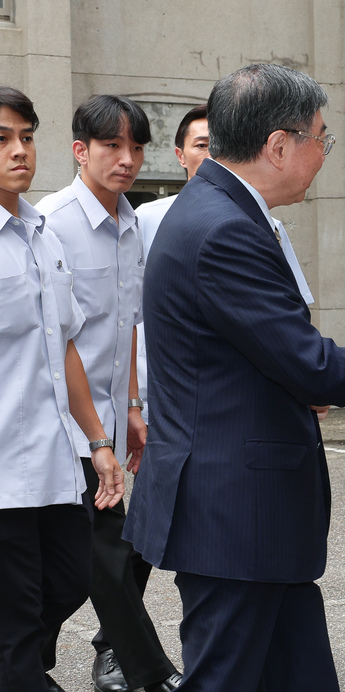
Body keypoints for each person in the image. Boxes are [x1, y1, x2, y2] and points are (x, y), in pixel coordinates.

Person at [123, 63, 345, 692]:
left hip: (251, 516)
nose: (324, 153)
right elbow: (304, 360)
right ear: (280, 144)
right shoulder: (225, 228)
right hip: (236, 516)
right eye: (322, 137)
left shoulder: (215, 208)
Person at [36, 95, 181, 692]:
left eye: (136, 147)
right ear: (80, 151)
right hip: (62, 427)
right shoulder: (50, 224)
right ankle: (152, 674)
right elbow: (54, 342)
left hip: (109, 426)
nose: (127, 159)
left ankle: (20, 659)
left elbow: (125, 332)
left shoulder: (132, 225)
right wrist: (96, 432)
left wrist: (133, 409)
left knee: (70, 571)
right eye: (112, 146)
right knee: (108, 556)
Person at [0, 86, 124, 692]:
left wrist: (98, 439)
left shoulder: (41, 235)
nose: (19, 151)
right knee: (20, 616)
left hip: (54, 459)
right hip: (1, 471)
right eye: (2, 139)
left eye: (25, 136)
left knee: (74, 579)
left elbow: (65, 345)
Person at [135, 103, 210, 423]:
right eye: (202, 145)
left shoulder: (264, 221)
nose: (212, 154)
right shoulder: (146, 218)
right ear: (181, 155)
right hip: (163, 391)